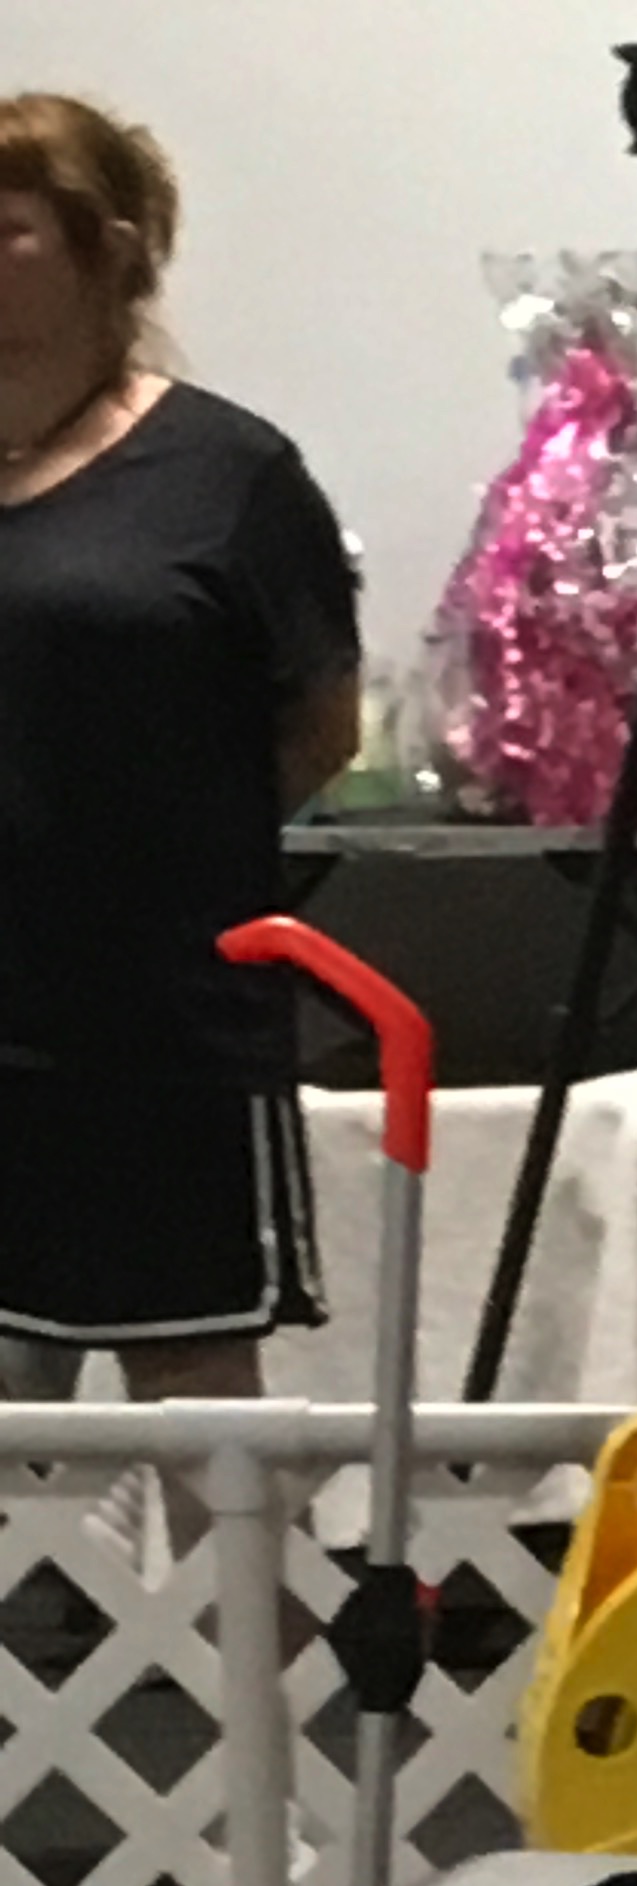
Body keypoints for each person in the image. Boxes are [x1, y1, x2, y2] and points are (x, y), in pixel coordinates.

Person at [0, 94, 360, 1401]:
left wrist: (140, 851)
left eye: (4, 228)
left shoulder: (228, 474)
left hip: (161, 1041)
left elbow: (319, 727)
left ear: (103, 249)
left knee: (203, 1424)